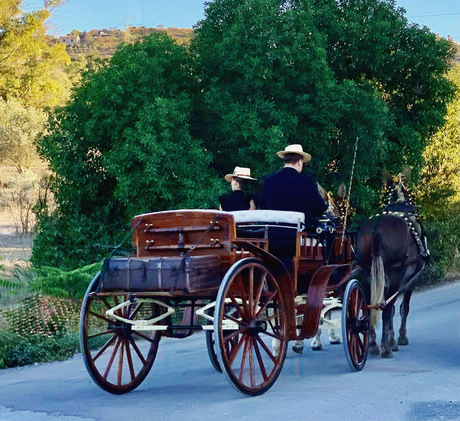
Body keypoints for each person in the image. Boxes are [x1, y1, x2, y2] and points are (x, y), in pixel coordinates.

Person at [259, 144, 327, 229]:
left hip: (273, 235)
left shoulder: (268, 181)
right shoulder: (305, 181)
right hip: (301, 237)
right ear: (299, 162)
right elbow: (319, 209)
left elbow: (263, 208)